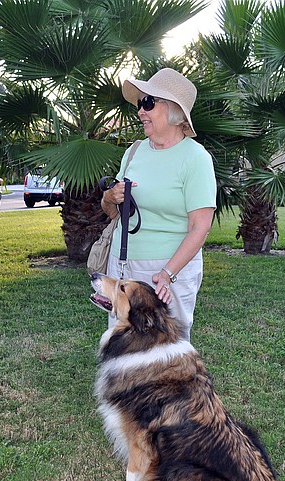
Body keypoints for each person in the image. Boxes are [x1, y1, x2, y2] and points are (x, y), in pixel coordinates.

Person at [101, 68, 217, 341]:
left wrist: (167, 274)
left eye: (148, 103)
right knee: (122, 340)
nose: (140, 111)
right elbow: (111, 213)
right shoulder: (134, 152)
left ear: (174, 111)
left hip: (168, 271)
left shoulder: (195, 158)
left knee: (168, 348)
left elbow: (200, 227)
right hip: (122, 264)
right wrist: (110, 198)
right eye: (140, 103)